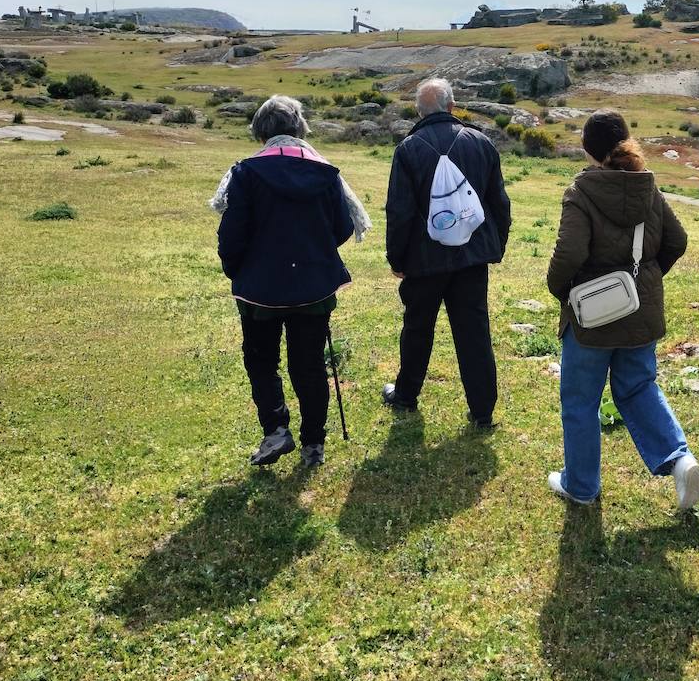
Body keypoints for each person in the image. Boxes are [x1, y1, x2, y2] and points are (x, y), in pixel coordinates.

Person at [545, 110, 699, 508]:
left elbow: (569, 253)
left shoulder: (581, 191)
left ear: (587, 148)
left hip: (592, 317)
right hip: (639, 313)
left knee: (581, 400)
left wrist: (561, 291)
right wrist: (642, 280)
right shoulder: (648, 186)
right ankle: (680, 460)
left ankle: (581, 486)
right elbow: (677, 240)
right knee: (638, 387)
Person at [212, 95, 371, 468]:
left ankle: (275, 430)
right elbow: (342, 227)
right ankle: (313, 443)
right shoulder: (325, 172)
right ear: (300, 128)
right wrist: (314, 253)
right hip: (313, 288)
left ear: (260, 131)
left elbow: (231, 235)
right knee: (310, 364)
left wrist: (239, 269)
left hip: (259, 290)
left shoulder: (246, 173)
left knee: (261, 361)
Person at [383, 78, 511, 428]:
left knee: (417, 329)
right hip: (472, 258)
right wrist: (495, 245)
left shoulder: (408, 149)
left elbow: (400, 211)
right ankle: (482, 410)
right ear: (452, 107)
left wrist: (397, 259)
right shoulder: (482, 143)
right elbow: (499, 202)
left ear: (418, 112)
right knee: (474, 333)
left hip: (424, 261)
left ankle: (406, 395)